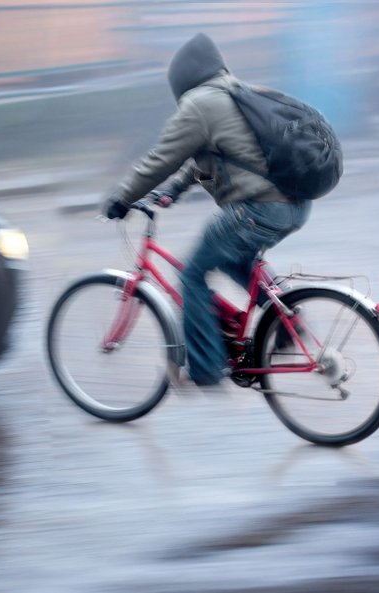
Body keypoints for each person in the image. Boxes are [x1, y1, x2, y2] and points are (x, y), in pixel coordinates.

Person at [102, 33, 311, 386]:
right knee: (234, 257)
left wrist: (121, 197)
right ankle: (287, 317)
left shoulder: (199, 103)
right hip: (294, 205)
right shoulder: (237, 93)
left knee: (192, 275)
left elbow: (161, 159)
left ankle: (204, 368)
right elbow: (209, 158)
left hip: (258, 210)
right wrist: (174, 191)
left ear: (183, 79)